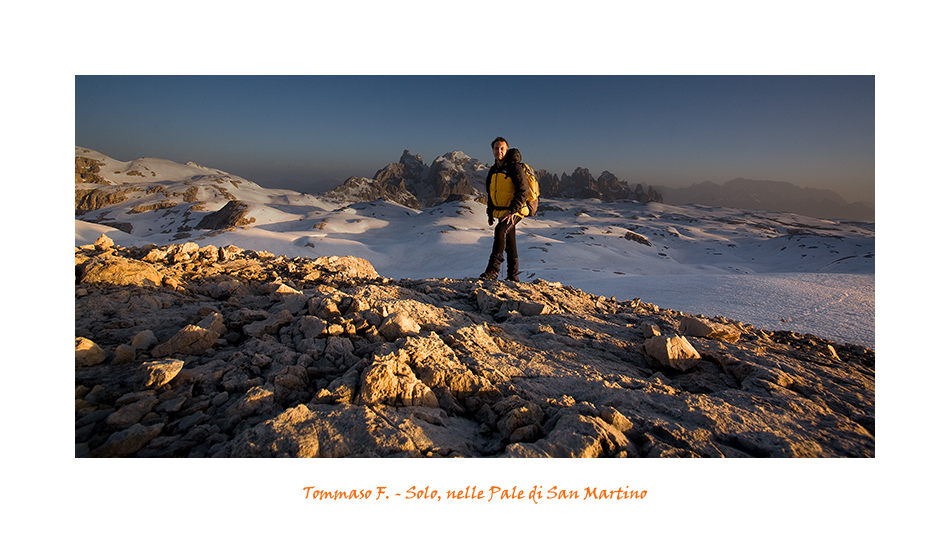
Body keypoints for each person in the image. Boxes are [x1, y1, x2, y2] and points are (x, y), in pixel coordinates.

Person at [480, 136, 530, 282]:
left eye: (502, 148)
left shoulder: (514, 167)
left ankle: (492, 270)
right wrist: (490, 213)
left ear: (507, 150)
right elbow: (491, 193)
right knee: (510, 241)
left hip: (516, 210)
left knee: (500, 230)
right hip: (502, 211)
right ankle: (513, 276)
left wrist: (512, 210)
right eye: (496, 148)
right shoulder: (493, 170)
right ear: (493, 150)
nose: (499, 151)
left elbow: (523, 191)